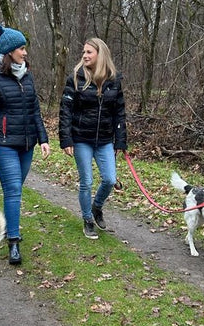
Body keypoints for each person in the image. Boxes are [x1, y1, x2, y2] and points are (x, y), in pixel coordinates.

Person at [0, 24, 50, 265]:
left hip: (26, 144)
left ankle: (10, 227)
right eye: (21, 48)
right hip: (4, 144)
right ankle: (13, 242)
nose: (25, 52)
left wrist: (43, 139)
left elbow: (35, 110)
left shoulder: (26, 75)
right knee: (14, 191)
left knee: (15, 190)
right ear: (9, 51)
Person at [59, 38, 127, 239]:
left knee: (109, 179)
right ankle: (88, 219)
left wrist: (120, 140)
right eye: (84, 52)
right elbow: (65, 110)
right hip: (81, 138)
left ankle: (97, 207)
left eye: (89, 52)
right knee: (86, 182)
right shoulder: (76, 78)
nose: (85, 56)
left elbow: (119, 112)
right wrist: (66, 139)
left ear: (100, 55)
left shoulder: (113, 80)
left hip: (105, 139)